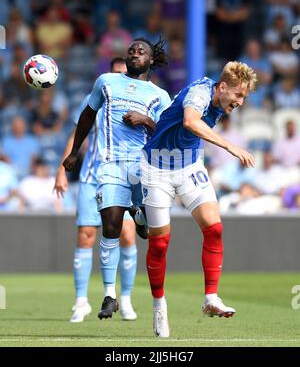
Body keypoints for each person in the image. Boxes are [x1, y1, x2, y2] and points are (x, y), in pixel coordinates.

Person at [141, 61, 257, 337]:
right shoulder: (201, 93)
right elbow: (190, 121)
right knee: (159, 244)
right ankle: (159, 308)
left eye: (244, 97)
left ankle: (211, 299)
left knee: (214, 228)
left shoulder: (221, 100)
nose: (240, 102)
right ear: (223, 87)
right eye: (238, 95)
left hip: (190, 167)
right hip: (156, 169)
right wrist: (230, 146)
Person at [63, 38, 171, 320]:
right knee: (110, 226)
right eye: (132, 50)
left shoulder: (159, 95)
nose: (135, 53)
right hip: (110, 165)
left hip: (144, 168)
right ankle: (110, 295)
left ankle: (140, 213)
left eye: (141, 51)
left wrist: (147, 121)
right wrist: (74, 152)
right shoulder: (106, 82)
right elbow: (87, 116)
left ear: (151, 60)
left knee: (145, 230)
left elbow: (169, 135)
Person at [54, 57, 139, 322]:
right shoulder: (98, 97)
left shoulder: (138, 101)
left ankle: (124, 298)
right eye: (116, 72)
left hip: (124, 177)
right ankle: (81, 301)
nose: (120, 77)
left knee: (127, 235)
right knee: (86, 236)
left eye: (124, 72)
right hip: (93, 176)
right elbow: (77, 132)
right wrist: (61, 170)